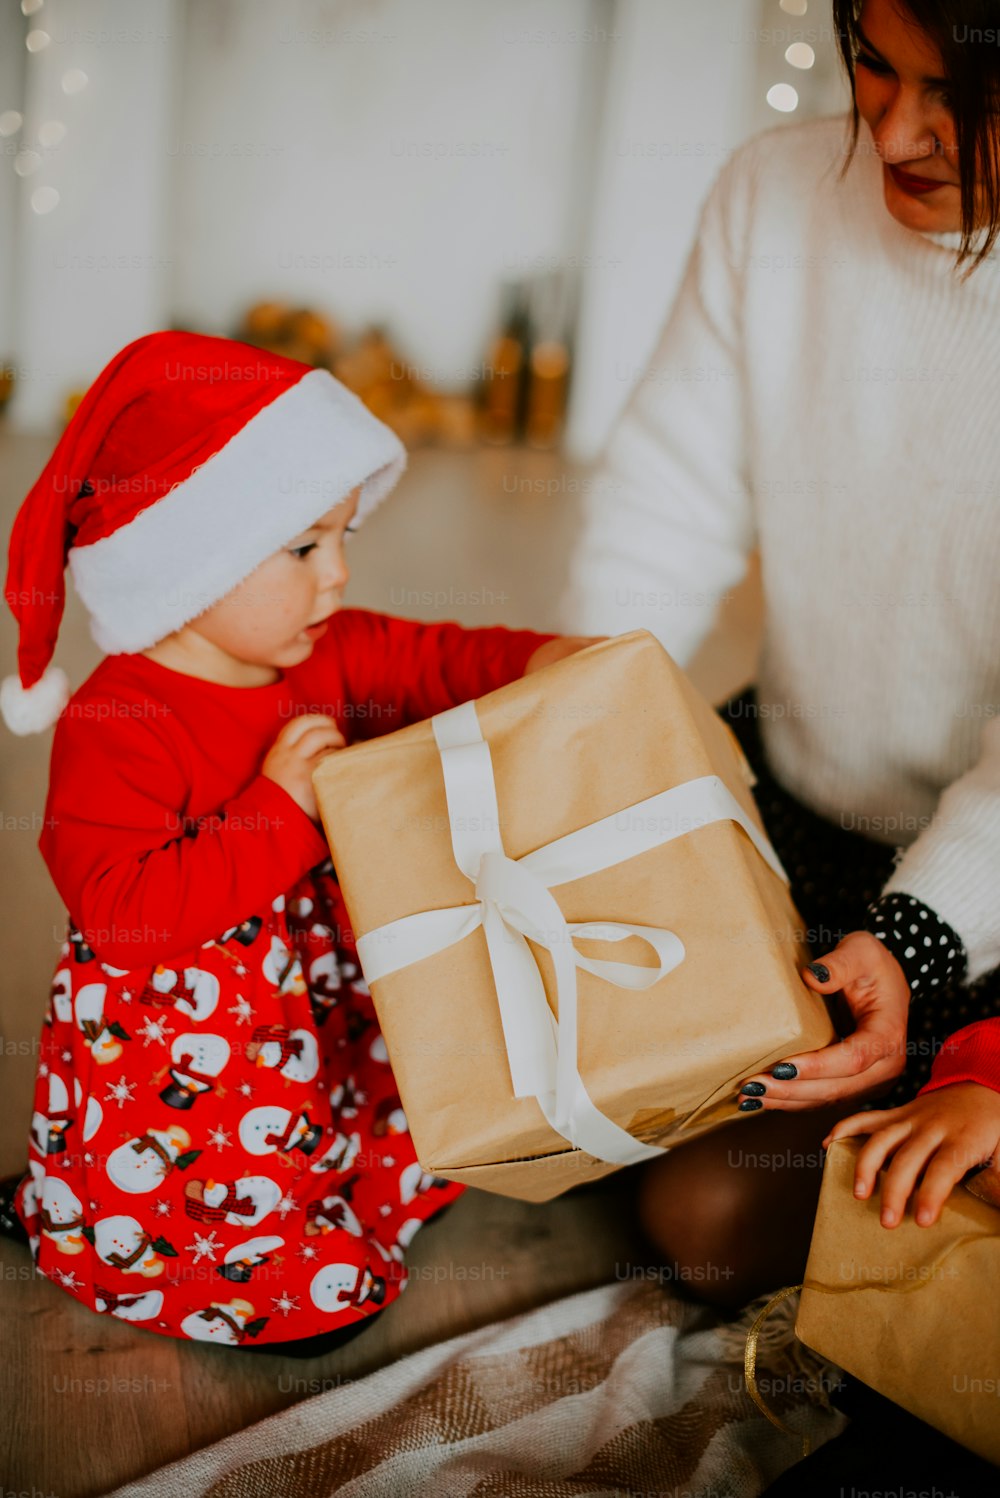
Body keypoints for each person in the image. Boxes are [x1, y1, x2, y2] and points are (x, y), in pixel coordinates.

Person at [0, 329, 588, 1355]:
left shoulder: (332, 651)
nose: (338, 575)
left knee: (345, 1089)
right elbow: (121, 912)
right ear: (196, 558)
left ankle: (335, 1189)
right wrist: (279, 808)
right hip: (187, 1046)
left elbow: (437, 659)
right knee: (236, 1168)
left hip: (314, 993)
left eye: (343, 536)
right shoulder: (120, 721)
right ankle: (161, 1243)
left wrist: (554, 659)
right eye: (305, 547)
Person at [562, 0, 1000, 1309]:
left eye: (962, 90)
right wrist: (574, 745)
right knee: (538, 1085)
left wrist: (922, 940)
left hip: (977, 891)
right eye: (874, 60)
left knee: (706, 1218)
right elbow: (667, 500)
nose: (897, 128)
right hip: (798, 793)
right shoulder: (775, 191)